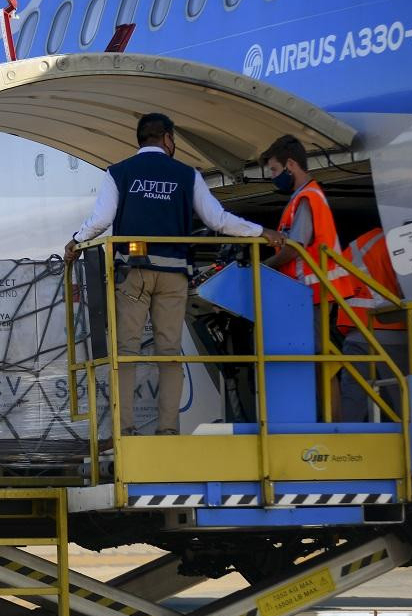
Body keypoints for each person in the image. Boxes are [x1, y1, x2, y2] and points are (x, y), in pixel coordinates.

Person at [65, 113, 284, 436]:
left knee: (127, 353)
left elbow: (102, 220)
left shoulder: (118, 173)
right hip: (174, 274)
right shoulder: (186, 175)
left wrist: (77, 242)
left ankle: (126, 430)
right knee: (169, 354)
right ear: (167, 138)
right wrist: (262, 232)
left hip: (134, 272)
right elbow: (218, 220)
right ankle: (168, 429)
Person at [260, 135, 354, 304]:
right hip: (313, 291)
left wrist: (264, 266)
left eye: (274, 170)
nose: (272, 176)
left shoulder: (306, 198)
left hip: (313, 292)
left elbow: (294, 248)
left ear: (290, 165)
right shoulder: (306, 196)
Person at [335, 227, 408, 422]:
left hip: (356, 332)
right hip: (393, 332)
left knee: (353, 398)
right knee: (405, 400)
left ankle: (346, 447)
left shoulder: (357, 245)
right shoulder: (401, 241)